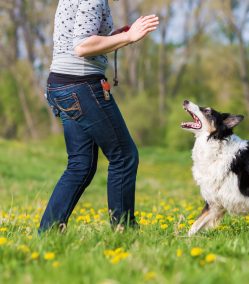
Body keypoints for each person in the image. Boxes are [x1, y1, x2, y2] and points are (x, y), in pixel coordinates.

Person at [39, 0, 159, 233]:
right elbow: (82, 46)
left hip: (61, 85)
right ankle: (122, 232)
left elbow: (79, 40)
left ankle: (48, 233)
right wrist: (128, 37)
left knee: (80, 165)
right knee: (124, 156)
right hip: (81, 85)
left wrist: (115, 36)